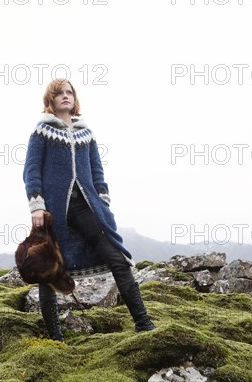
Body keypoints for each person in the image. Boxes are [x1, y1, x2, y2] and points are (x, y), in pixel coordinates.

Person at [22, 78, 155, 342]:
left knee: (117, 258)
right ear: (51, 98)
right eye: (59, 93)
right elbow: (31, 169)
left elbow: (97, 170)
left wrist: (102, 201)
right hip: (53, 210)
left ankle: (143, 323)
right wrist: (36, 205)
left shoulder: (86, 133)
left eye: (69, 92)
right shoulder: (42, 130)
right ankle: (56, 338)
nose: (65, 96)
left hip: (85, 206)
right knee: (49, 268)